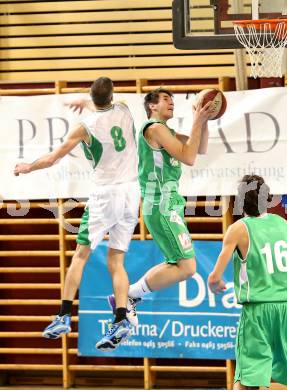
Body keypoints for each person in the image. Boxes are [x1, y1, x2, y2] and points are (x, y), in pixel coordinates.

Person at [14, 77, 141, 351]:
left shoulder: (85, 128)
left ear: (91, 98)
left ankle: (63, 315)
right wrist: (87, 101)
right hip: (132, 193)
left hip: (105, 195)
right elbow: (105, 104)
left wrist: (27, 167)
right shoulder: (124, 109)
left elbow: (52, 159)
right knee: (117, 261)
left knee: (80, 256)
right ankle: (120, 319)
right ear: (112, 95)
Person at [108, 88, 213, 313]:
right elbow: (189, 157)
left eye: (172, 99)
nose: (171, 102)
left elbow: (200, 147)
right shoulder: (154, 129)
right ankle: (128, 297)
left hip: (170, 204)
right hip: (160, 204)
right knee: (186, 267)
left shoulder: (167, 131)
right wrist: (197, 120)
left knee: (182, 265)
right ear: (152, 106)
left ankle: (130, 297)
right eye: (165, 99)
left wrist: (205, 120)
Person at [208, 174, 287, 390]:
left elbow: (214, 276)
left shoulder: (238, 229)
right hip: (285, 308)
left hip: (258, 311)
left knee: (246, 375)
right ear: (268, 198)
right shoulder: (283, 224)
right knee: (281, 376)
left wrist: (215, 283)